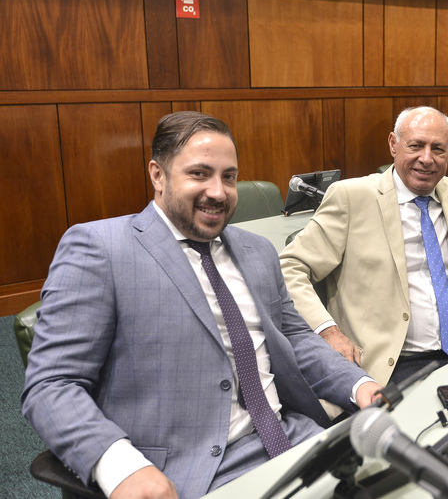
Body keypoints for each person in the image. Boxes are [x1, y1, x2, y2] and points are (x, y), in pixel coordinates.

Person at [22, 112, 380, 499]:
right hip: (189, 473)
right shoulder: (100, 248)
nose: (218, 192)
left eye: (229, 176)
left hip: (293, 439)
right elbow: (52, 385)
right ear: (158, 175)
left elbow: (293, 337)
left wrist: (358, 385)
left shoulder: (258, 251)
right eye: (199, 174)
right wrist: (121, 467)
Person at [280, 106, 448, 386]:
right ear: (393, 144)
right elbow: (290, 268)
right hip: (391, 364)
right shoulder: (351, 197)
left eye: (438, 149)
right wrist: (327, 330)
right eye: (416, 145)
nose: (426, 159)